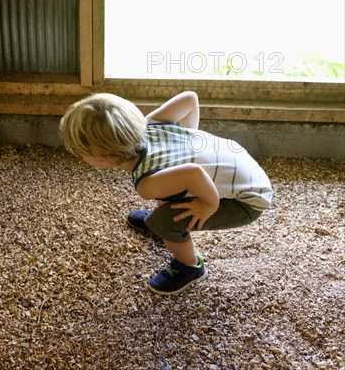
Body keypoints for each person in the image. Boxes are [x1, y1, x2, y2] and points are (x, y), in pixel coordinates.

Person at [59, 91, 272, 295]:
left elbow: (194, 173)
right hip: (241, 164)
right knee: (168, 187)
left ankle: (190, 266)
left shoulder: (146, 184)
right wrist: (190, 141)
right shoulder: (150, 123)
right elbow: (190, 99)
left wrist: (208, 206)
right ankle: (172, 222)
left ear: (101, 161)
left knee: (163, 223)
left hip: (248, 201)